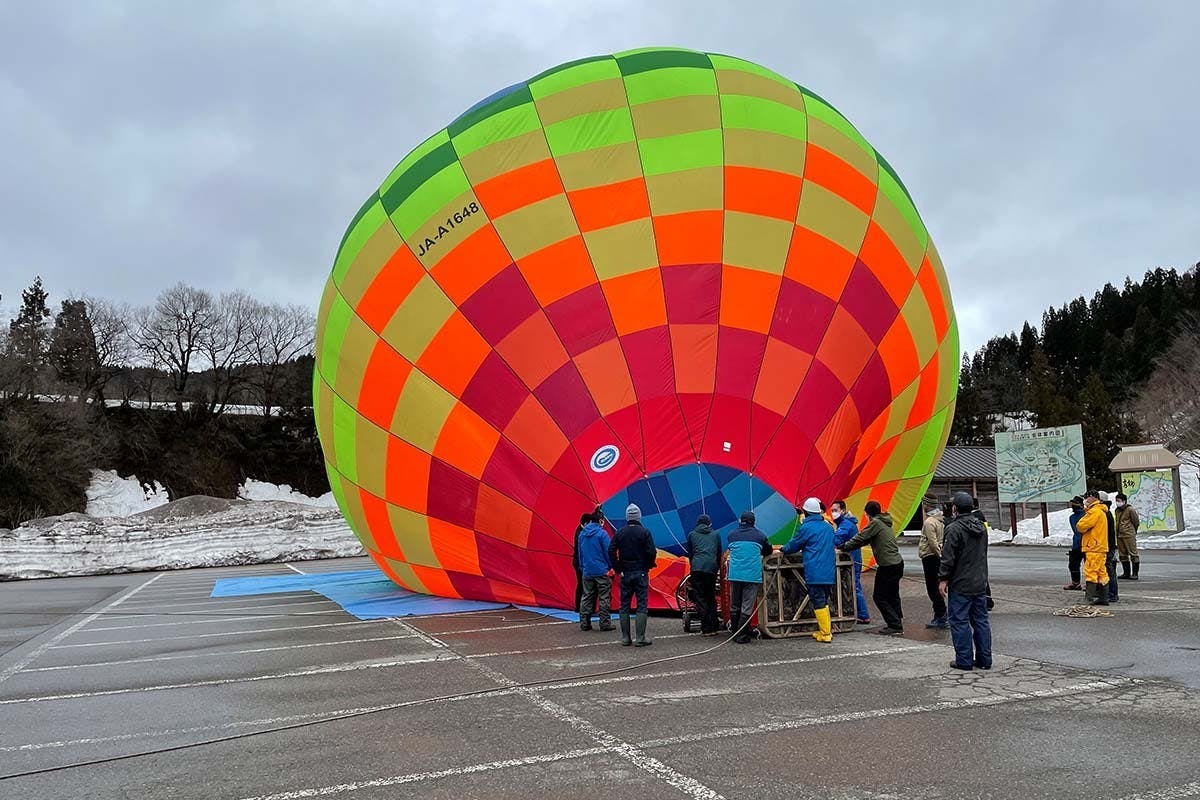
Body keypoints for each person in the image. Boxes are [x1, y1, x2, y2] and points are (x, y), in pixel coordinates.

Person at [939, 492, 992, 670]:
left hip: (961, 582)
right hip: (979, 580)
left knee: (959, 621)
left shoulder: (954, 528)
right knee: (981, 621)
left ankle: (964, 660)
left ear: (955, 508)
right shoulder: (981, 527)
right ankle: (985, 660)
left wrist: (943, 579)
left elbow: (948, 557)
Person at [839, 500, 904, 635]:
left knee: (879, 596)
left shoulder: (875, 523)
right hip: (897, 563)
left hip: (887, 565)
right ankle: (897, 621)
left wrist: (844, 546)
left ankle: (894, 625)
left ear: (867, 514)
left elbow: (860, 537)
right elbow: (865, 540)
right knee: (893, 595)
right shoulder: (884, 522)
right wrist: (850, 546)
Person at [779, 498, 837, 643]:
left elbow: (794, 545)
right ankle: (826, 630)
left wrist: (783, 549)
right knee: (824, 600)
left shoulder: (806, 528)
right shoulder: (828, 527)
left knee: (818, 600)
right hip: (829, 571)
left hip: (815, 571)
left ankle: (826, 633)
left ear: (806, 512)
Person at [608, 503, 657, 646]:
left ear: (627, 517)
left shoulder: (620, 532)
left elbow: (611, 551)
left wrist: (618, 568)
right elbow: (651, 552)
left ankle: (625, 638)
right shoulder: (645, 532)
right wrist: (648, 565)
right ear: (639, 517)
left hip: (626, 573)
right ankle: (640, 638)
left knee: (624, 605)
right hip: (640, 572)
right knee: (641, 605)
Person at [726, 510, 773, 643]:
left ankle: (734, 632)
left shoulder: (731, 535)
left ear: (740, 521)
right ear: (753, 522)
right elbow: (768, 551)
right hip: (752, 576)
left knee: (734, 604)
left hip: (735, 575)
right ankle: (741, 636)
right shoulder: (760, 536)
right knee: (747, 605)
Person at [830, 499, 870, 625]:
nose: (833, 513)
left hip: (852, 560)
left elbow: (836, 540)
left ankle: (863, 615)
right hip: (853, 559)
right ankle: (859, 613)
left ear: (843, 510)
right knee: (853, 585)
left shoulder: (845, 525)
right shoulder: (845, 523)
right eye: (832, 510)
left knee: (854, 586)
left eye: (835, 510)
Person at [685, 513, 724, 636]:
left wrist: (693, 566)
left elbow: (690, 553)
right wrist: (716, 568)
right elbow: (719, 554)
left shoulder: (692, 535)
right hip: (711, 569)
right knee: (710, 596)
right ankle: (714, 626)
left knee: (700, 598)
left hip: (697, 568)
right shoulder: (716, 535)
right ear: (709, 524)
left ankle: (706, 627)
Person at [576, 512, 615, 632]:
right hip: (602, 571)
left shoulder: (582, 534)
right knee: (604, 597)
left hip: (587, 571)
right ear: (601, 521)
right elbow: (609, 552)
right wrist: (611, 567)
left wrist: (583, 568)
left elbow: (580, 553)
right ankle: (604, 623)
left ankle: (584, 623)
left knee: (587, 596)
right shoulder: (602, 534)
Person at [1076, 491, 1110, 606]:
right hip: (1100, 546)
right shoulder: (1101, 511)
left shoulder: (1094, 512)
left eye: (1086, 498)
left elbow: (1081, 526)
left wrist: (1085, 514)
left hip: (1093, 547)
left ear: (1092, 498)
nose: (1085, 501)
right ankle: (1104, 597)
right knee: (1101, 572)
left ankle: (1089, 597)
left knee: (1091, 571)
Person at [918, 502, 948, 629]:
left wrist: (938, 554)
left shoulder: (929, 522)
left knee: (932, 587)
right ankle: (940, 614)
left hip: (930, 556)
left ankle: (941, 615)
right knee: (936, 585)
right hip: (937, 555)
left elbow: (932, 541)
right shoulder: (941, 521)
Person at [1114, 492, 1141, 580]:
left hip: (1128, 534)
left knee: (1133, 553)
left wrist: (1132, 531)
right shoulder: (1117, 511)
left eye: (1119, 501)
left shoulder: (1130, 510)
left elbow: (1136, 522)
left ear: (1124, 501)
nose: (1117, 502)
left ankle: (1135, 573)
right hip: (1119, 535)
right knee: (1122, 554)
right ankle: (1126, 573)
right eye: (1116, 501)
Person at [1100, 492, 1119, 603]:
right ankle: (1110, 593)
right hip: (1108, 545)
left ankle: (1112, 593)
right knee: (1109, 569)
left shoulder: (1104, 513)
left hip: (1107, 545)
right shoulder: (1106, 512)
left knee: (1109, 569)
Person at [570, 511, 591, 612]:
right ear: (586, 524)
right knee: (582, 585)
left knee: (582, 585)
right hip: (579, 563)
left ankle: (579, 607)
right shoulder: (581, 534)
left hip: (578, 562)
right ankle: (580, 607)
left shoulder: (580, 530)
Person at [1064, 496, 1086, 591]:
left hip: (1086, 543)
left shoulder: (1087, 515)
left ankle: (1091, 584)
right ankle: (1075, 583)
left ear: (1081, 505)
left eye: (1076, 503)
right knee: (1073, 564)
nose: (1073, 505)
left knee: (1089, 566)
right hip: (1076, 544)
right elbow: (1076, 531)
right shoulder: (1072, 517)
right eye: (1073, 503)